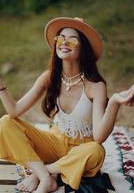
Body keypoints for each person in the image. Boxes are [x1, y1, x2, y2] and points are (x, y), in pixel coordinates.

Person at [0, 17, 133, 193]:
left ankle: (42, 172)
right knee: (6, 122)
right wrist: (1, 87)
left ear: (83, 47)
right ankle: (48, 178)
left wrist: (115, 101)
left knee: (96, 150)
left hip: (81, 151)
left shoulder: (96, 86)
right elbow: (14, 110)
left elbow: (99, 137)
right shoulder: (49, 77)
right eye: (60, 38)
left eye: (72, 39)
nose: (64, 42)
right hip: (54, 142)